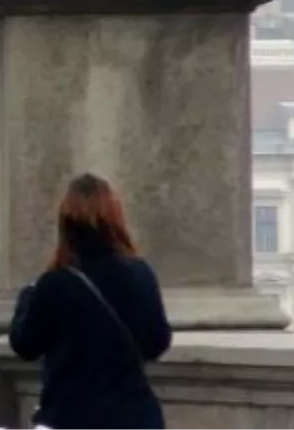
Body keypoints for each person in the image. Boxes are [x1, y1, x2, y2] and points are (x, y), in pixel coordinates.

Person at [9, 173, 172, 430]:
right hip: (134, 418)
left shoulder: (55, 283)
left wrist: (26, 297)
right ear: (116, 218)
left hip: (72, 416)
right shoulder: (140, 273)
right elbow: (157, 343)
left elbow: (24, 345)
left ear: (65, 223)